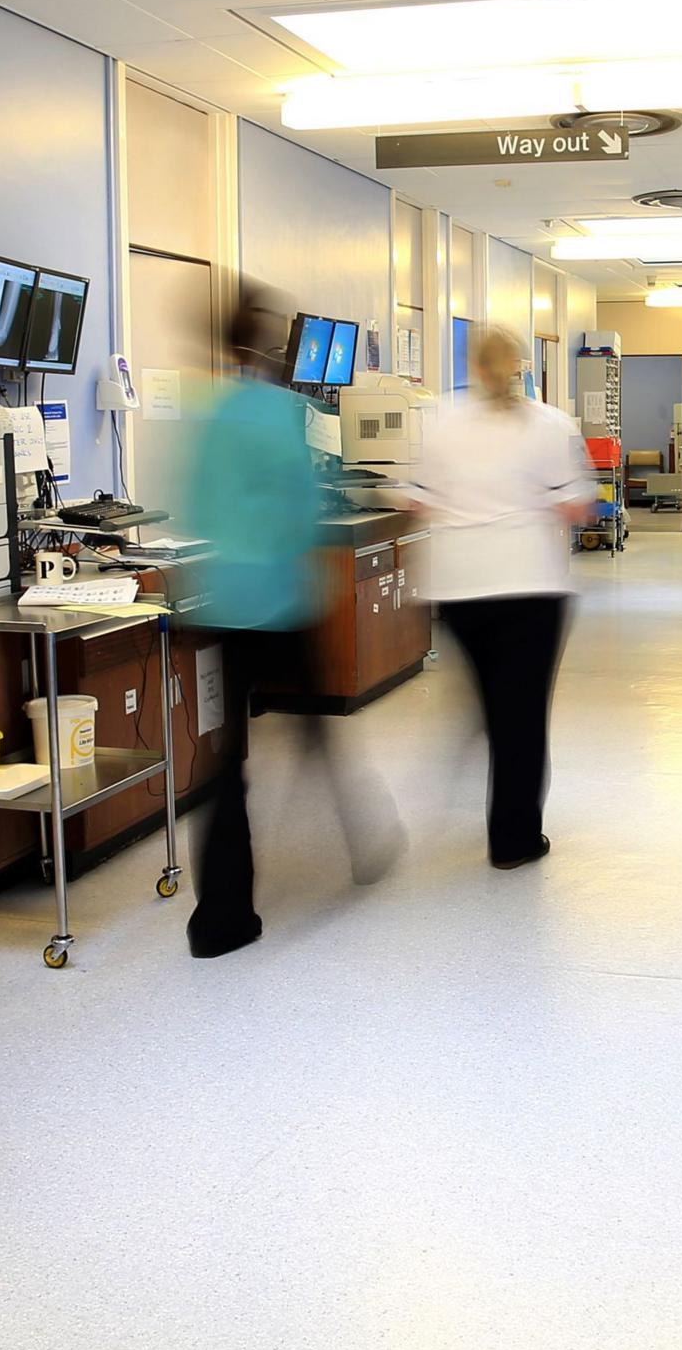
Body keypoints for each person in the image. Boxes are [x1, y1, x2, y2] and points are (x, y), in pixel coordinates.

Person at [180, 290, 399, 958]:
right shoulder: (282, 412)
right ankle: (364, 841)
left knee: (224, 761)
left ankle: (221, 916)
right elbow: (302, 505)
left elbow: (192, 504)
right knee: (317, 731)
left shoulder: (212, 414)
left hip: (222, 600)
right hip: (277, 597)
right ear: (272, 346)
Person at [412, 324, 595, 869]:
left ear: (473, 367)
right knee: (523, 716)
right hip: (529, 587)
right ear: (520, 366)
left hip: (459, 591)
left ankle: (488, 731)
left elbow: (420, 499)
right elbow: (579, 506)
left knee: (499, 704)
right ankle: (514, 840)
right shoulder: (551, 425)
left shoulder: (440, 419)